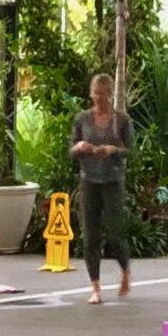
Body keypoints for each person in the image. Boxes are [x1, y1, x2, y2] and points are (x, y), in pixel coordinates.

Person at [71, 71, 132, 305]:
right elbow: (70, 149)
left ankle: (125, 271)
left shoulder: (122, 120)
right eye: (95, 93)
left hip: (112, 180)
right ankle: (95, 286)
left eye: (103, 94)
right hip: (89, 180)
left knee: (116, 233)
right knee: (90, 236)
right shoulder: (82, 119)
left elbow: (132, 150)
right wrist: (79, 147)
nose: (98, 98)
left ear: (110, 94)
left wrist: (113, 150)